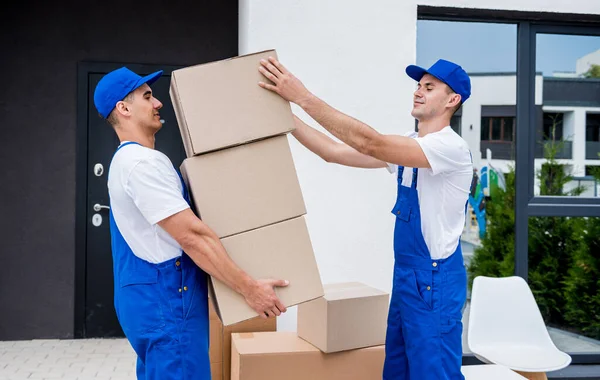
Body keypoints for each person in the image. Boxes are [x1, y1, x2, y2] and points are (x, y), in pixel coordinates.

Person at [258, 57, 473, 380]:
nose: (418, 92)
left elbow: (369, 142)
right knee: (398, 371)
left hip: (434, 283)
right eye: (418, 85)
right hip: (407, 280)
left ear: (452, 100)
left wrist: (302, 97)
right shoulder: (412, 145)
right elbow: (332, 152)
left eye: (429, 87)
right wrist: (284, 115)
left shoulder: (450, 149)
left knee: (433, 372)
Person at [93, 67, 289, 380]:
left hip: (152, 299)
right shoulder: (141, 165)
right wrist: (250, 289)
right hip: (166, 302)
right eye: (147, 96)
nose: (157, 103)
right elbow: (192, 238)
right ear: (124, 108)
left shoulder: (127, 161)